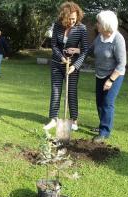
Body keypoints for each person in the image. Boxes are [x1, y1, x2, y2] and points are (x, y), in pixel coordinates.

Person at [43, 1, 89, 131]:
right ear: (64, 17)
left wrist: (75, 66)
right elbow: (54, 45)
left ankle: (74, 120)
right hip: (57, 64)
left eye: (74, 19)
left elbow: (85, 50)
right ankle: (53, 119)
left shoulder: (81, 28)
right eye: (70, 19)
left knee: (72, 92)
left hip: (72, 66)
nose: (72, 21)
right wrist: (62, 58)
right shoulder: (57, 26)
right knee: (56, 92)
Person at [87, 10, 127, 143]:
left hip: (114, 75)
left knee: (107, 103)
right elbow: (91, 50)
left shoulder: (117, 39)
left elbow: (122, 64)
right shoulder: (100, 37)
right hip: (99, 74)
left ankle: (104, 132)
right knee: (99, 102)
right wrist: (78, 51)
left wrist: (110, 80)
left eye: (98, 22)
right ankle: (102, 126)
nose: (96, 24)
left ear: (105, 25)